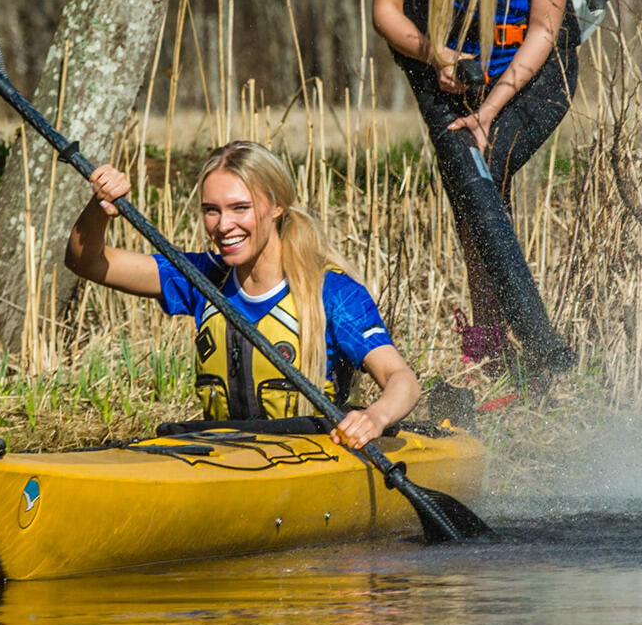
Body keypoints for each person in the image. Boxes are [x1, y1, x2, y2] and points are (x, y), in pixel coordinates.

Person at [366, 0, 582, 375]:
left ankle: (537, 351)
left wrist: (489, 108)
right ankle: (499, 345)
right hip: (443, 64)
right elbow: (386, 12)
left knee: (480, 164)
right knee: (474, 192)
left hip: (535, 72)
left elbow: (545, 30)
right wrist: (437, 55)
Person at [64, 140, 419, 449]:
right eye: (211, 210)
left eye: (240, 208)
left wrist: (374, 418)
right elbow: (87, 262)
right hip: (225, 457)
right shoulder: (202, 277)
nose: (222, 225)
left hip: (310, 457)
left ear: (276, 206)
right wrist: (101, 208)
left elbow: (400, 379)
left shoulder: (332, 292)